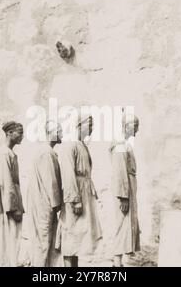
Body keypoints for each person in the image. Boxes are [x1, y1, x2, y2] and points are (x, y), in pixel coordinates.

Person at [57, 113, 102, 267]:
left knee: (79, 237)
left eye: (92, 125)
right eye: (89, 125)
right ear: (79, 125)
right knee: (71, 234)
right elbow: (68, 174)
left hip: (84, 193)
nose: (92, 129)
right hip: (75, 195)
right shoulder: (70, 145)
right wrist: (75, 200)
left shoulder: (82, 145)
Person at [0, 121, 25, 266]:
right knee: (6, 240)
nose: (22, 136)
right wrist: (12, 208)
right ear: (9, 133)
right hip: (6, 202)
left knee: (11, 240)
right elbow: (5, 182)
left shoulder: (9, 153)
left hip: (10, 199)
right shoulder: (3, 154)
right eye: (20, 133)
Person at [27, 121, 63, 267]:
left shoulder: (44, 151)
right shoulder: (47, 153)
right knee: (44, 241)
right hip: (44, 204)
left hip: (41, 203)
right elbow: (51, 182)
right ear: (51, 133)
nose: (62, 134)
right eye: (59, 131)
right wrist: (58, 205)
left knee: (44, 241)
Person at [109, 114, 140, 267]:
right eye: (135, 126)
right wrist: (124, 197)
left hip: (128, 188)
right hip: (124, 190)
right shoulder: (120, 145)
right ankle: (117, 262)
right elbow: (120, 172)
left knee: (126, 225)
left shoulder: (125, 144)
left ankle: (121, 261)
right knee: (121, 225)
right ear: (127, 126)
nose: (137, 130)